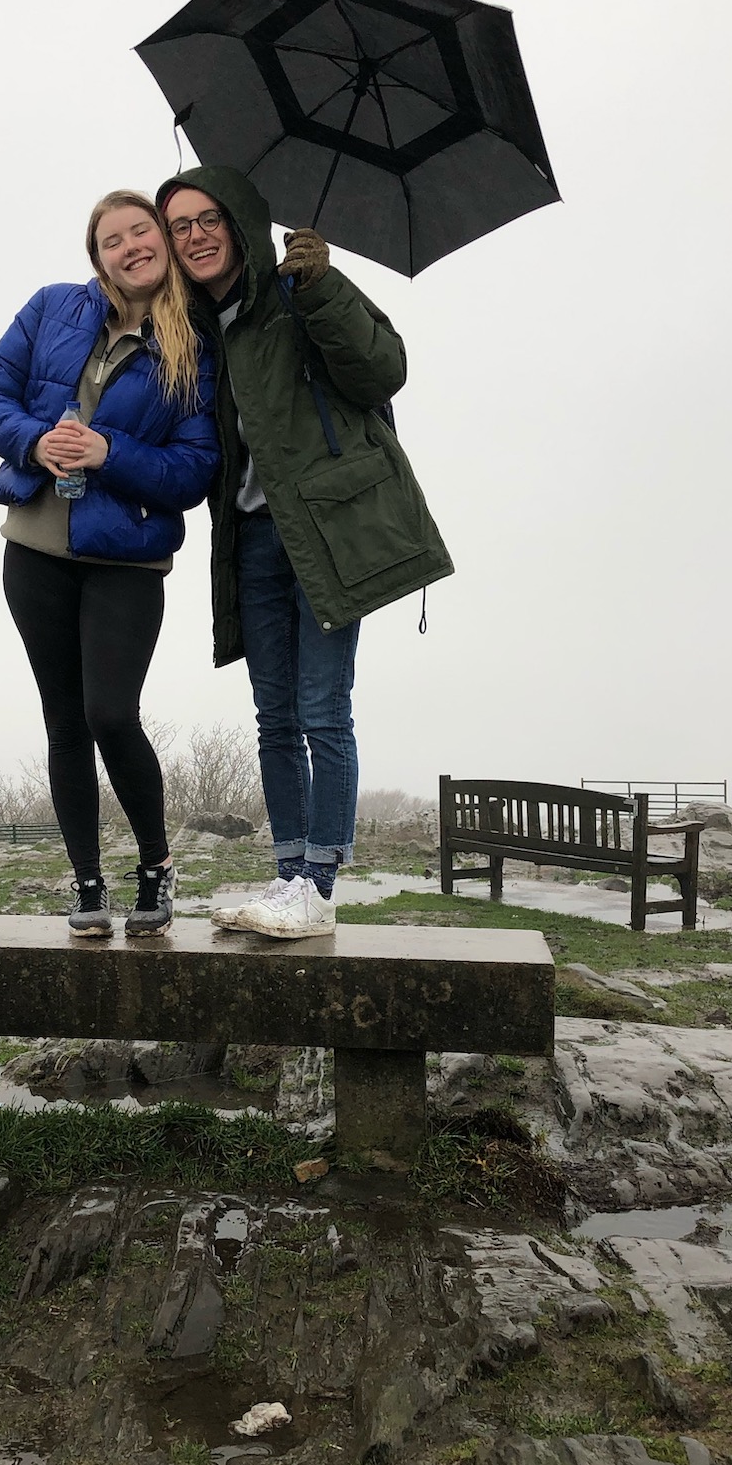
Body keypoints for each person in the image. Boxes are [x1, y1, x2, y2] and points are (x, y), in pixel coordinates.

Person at [156, 166, 453, 939]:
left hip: (322, 531)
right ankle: (288, 875)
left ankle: (317, 890)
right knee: (273, 719)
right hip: (252, 539)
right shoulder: (192, 329)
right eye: (179, 224)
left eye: (207, 218)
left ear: (240, 220)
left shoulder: (298, 290)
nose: (194, 235)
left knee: (324, 712)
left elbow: (383, 369)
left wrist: (323, 285)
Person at [0, 192, 219, 937]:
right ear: (96, 255)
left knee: (110, 712)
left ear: (164, 245)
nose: (130, 246)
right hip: (35, 548)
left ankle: (157, 866)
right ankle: (85, 883)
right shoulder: (50, 308)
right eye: (112, 239)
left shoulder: (193, 349)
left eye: (142, 231)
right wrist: (34, 442)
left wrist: (111, 453)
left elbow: (194, 472)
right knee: (64, 722)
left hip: (128, 562)